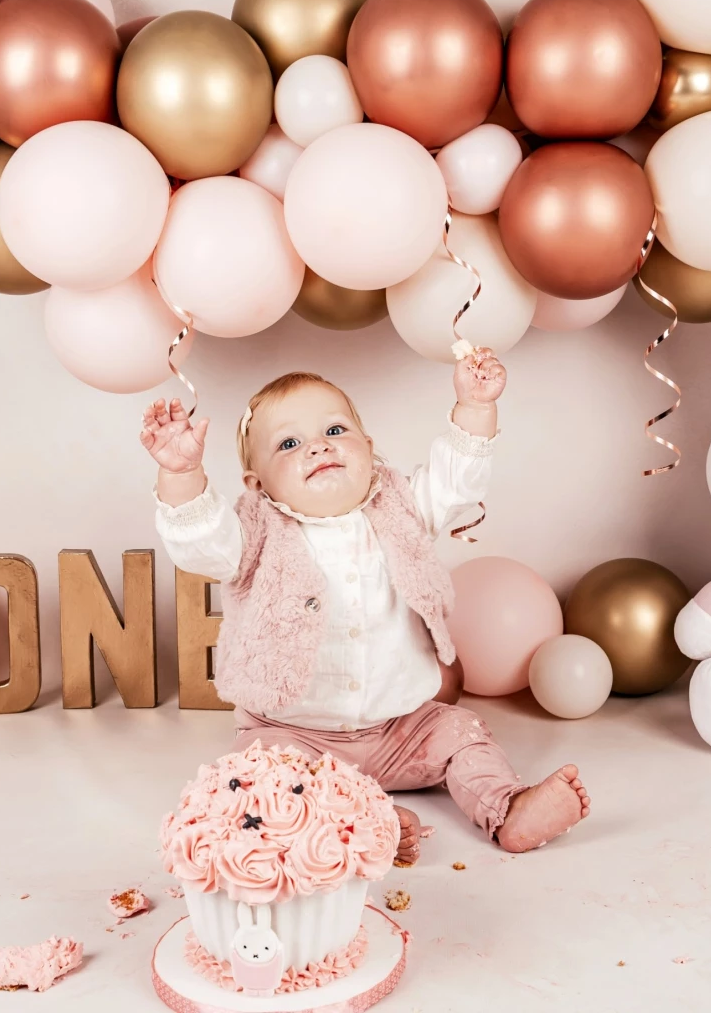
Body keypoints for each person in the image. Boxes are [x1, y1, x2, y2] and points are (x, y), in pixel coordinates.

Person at [142, 351, 588, 862]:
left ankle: (507, 809)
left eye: (334, 430)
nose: (318, 447)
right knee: (258, 778)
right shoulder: (253, 535)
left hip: (401, 728)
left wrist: (475, 407)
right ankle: (366, 821)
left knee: (463, 733)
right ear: (257, 484)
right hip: (291, 733)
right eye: (289, 443)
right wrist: (181, 475)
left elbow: (454, 483)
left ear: (369, 450)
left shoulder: (401, 507)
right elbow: (201, 544)